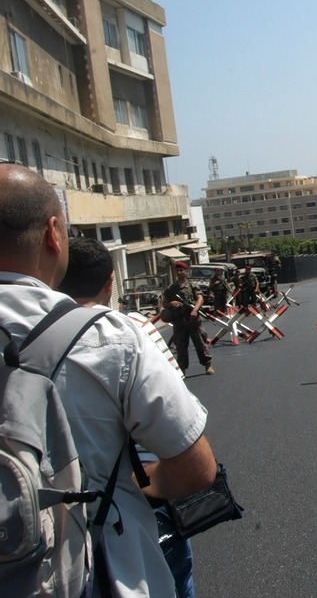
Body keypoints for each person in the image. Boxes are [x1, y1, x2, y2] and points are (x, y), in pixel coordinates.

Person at [0, 163, 217, 597]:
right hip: (101, 571)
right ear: (53, 233)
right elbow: (196, 468)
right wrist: (133, 484)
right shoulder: (108, 336)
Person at [58, 237, 197, 598]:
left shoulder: (21, 340)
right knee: (175, 576)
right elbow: (184, 435)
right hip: (133, 502)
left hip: (51, 527)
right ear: (109, 282)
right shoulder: (131, 329)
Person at [163, 261, 214, 377]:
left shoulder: (192, 285)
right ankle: (182, 369)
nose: (179, 272)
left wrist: (195, 310)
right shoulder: (172, 288)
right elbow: (164, 303)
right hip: (179, 322)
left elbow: (200, 298)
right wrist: (172, 303)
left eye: (182, 270)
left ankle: (207, 364)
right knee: (181, 347)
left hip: (193, 320)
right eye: (177, 270)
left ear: (186, 272)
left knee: (200, 344)